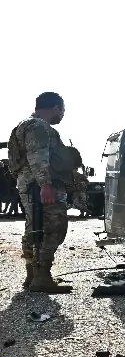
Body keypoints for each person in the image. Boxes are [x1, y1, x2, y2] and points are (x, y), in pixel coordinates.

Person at [7, 92, 75, 293]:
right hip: (40, 185)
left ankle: (33, 275)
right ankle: (42, 276)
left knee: (34, 227)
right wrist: (45, 184)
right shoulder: (39, 127)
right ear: (55, 107)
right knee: (53, 226)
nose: (62, 115)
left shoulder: (24, 124)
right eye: (62, 110)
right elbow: (38, 157)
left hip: (29, 184)